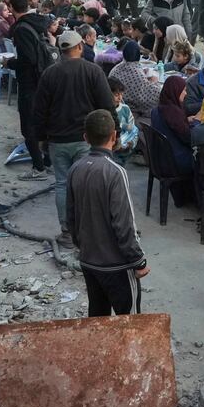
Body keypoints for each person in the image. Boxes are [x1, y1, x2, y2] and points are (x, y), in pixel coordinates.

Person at [33, 28, 116, 245]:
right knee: (88, 184)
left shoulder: (50, 73)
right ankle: (89, 231)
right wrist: (112, 133)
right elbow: (107, 105)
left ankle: (67, 232)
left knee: (62, 184)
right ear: (79, 46)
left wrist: (41, 138)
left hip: (58, 139)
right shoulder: (93, 71)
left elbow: (39, 110)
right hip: (86, 140)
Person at [66, 109, 147, 316]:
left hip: (89, 260)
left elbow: (71, 217)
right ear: (114, 136)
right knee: (127, 321)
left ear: (85, 138)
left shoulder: (76, 168)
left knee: (98, 318)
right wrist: (138, 260)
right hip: (116, 265)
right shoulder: (115, 172)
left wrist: (82, 245)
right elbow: (124, 223)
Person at [5, 0, 56, 173]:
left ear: (12, 9)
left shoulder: (21, 29)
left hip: (30, 83)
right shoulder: (38, 22)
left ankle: (38, 167)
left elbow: (28, 59)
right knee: (43, 122)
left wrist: (10, 62)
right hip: (43, 79)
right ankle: (48, 161)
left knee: (28, 126)